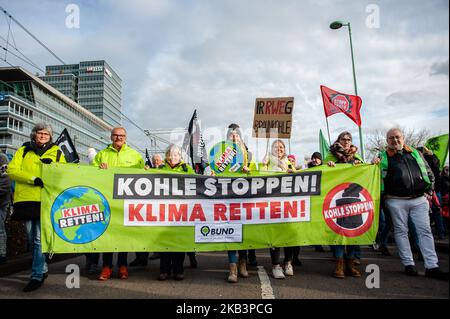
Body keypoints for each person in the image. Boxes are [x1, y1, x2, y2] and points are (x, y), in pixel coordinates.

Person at [372, 128, 448, 280]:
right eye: (391, 138)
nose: (395, 140)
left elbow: (429, 172)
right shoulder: (383, 157)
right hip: (395, 200)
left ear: (403, 138)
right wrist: (374, 166)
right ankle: (408, 264)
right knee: (401, 231)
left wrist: (430, 190)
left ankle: (432, 266)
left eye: (397, 137)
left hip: (419, 199)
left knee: (425, 231)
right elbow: (375, 178)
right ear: (387, 141)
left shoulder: (415, 153)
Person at [7, 123, 66, 292]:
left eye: (46, 134)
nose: (42, 136)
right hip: (25, 200)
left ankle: (36, 275)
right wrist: (33, 178)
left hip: (46, 200)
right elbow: (12, 170)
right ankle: (43, 268)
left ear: (50, 136)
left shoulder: (57, 152)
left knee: (39, 239)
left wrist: (51, 167)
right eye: (40, 133)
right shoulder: (24, 150)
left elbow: (64, 173)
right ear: (34, 134)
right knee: (31, 238)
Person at [93, 127, 145, 281]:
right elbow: (91, 174)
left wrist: (146, 170)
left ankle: (123, 266)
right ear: (111, 137)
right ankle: (106, 267)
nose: (118, 137)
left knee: (123, 235)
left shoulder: (135, 155)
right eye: (115, 135)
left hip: (126, 203)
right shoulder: (102, 154)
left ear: (126, 137)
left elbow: (143, 176)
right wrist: (98, 169)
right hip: (107, 201)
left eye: (121, 135)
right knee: (107, 235)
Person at [325, 131, 363, 279]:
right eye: (343, 139)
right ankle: (339, 263)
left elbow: (365, 169)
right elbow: (323, 170)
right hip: (336, 198)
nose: (346, 141)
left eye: (349, 139)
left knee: (353, 230)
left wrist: (365, 164)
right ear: (338, 140)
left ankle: (350, 263)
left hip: (353, 198)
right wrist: (329, 165)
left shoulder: (356, 155)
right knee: (340, 231)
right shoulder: (331, 154)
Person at [158, 144, 194, 281]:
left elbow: (198, 182)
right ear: (166, 156)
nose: (173, 157)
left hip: (181, 211)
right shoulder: (160, 168)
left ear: (180, 156)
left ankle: (179, 270)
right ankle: (164, 270)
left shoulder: (186, 169)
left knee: (179, 241)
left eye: (176, 154)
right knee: (164, 240)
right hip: (163, 211)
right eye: (171, 154)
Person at [223, 124, 255, 282]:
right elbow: (213, 172)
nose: (234, 137)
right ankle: (232, 267)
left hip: (244, 198)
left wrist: (249, 171)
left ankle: (243, 262)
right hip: (227, 198)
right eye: (231, 135)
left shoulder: (248, 155)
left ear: (241, 137)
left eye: (237, 135)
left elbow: (257, 176)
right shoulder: (219, 154)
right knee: (230, 232)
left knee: (244, 232)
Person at [261, 139, 296, 279]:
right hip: (273, 203)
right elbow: (260, 176)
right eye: (276, 147)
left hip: (288, 203)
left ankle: (288, 262)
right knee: (275, 234)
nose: (279, 149)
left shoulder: (288, 161)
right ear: (272, 148)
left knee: (289, 233)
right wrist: (264, 165)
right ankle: (275, 265)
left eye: (281, 147)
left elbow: (298, 176)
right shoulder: (267, 161)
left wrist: (288, 169)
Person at [0, 152, 11, 264]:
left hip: (1, 201)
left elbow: (6, 181)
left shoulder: (2, 158)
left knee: (0, 228)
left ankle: (2, 254)